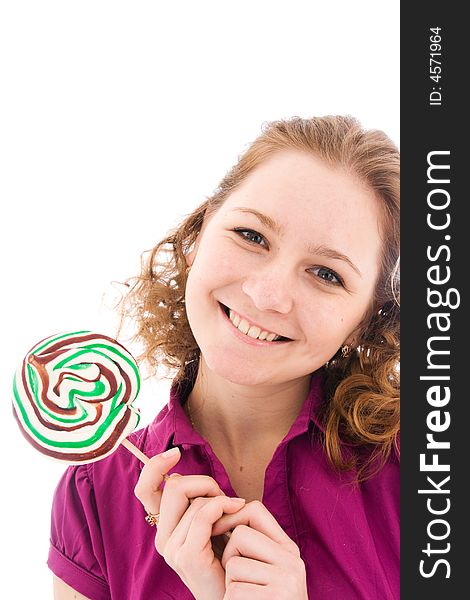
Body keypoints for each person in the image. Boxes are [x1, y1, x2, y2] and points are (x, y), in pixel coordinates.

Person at [49, 115, 400, 600]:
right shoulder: (94, 494)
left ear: (365, 320)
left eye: (326, 273)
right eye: (252, 236)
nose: (267, 294)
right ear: (199, 233)